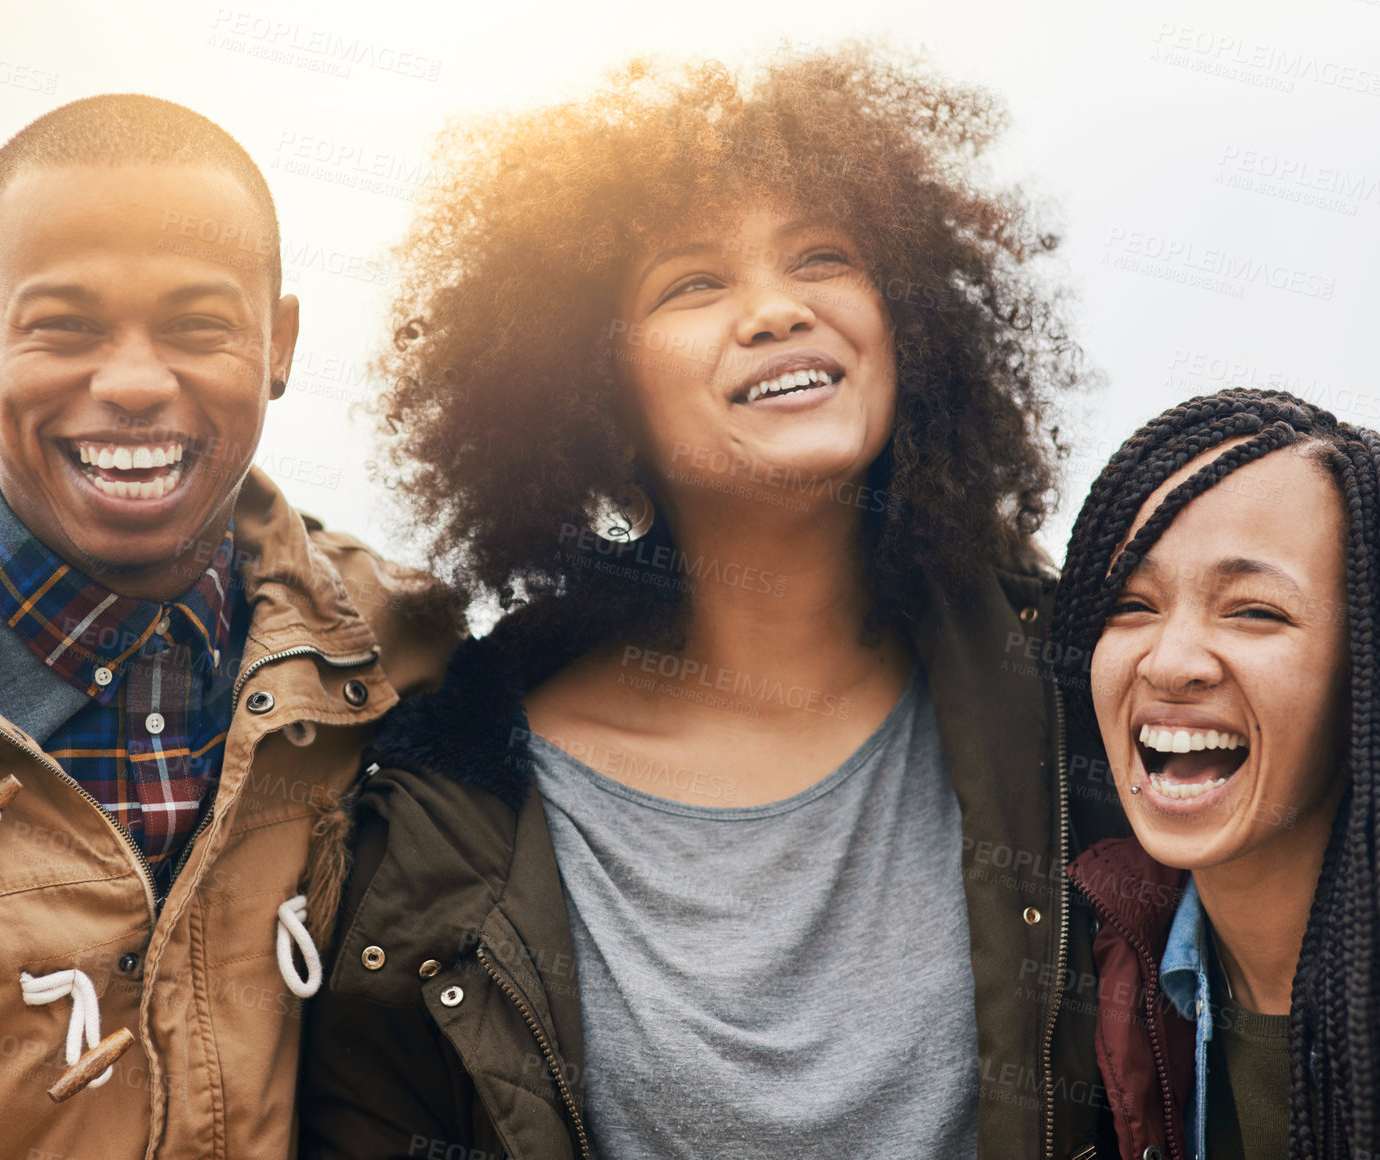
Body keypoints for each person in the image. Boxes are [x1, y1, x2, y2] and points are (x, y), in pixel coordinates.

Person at [300, 46, 1125, 1159]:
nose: (778, 310)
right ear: (591, 390)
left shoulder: (1079, 697)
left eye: (824, 256)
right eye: (696, 282)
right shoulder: (449, 802)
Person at [0, 95, 458, 1158]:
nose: (134, 384)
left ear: (280, 343)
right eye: (64, 327)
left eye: (198, 327)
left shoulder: (392, 655)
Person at [1052, 389, 1380, 1159]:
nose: (1171, 663)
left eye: (1253, 612)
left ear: (1379, 664)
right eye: (1133, 604)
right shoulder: (1111, 948)